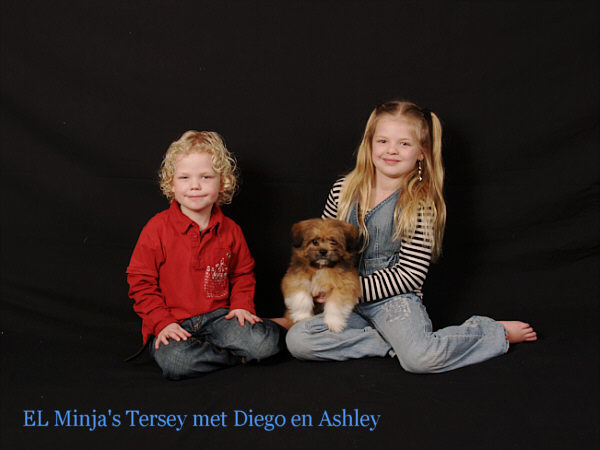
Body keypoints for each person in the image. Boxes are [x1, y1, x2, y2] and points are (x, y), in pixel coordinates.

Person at [285, 100, 536, 373]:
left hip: (393, 301)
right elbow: (320, 247)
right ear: (369, 145)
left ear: (422, 152)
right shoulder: (343, 190)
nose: (391, 150)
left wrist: (348, 291)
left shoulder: (420, 204)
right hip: (345, 302)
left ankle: (489, 332)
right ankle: (391, 342)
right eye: (382, 141)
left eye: (404, 144)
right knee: (299, 341)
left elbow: (410, 274)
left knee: (420, 359)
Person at [127, 131, 281, 379]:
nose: (195, 185)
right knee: (176, 361)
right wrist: (162, 322)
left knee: (265, 345)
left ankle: (250, 340)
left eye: (205, 177)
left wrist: (242, 305)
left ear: (222, 183)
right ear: (171, 183)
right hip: (173, 322)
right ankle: (234, 353)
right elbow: (140, 282)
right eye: (185, 177)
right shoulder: (156, 228)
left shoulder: (231, 230)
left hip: (219, 318)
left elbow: (242, 273)